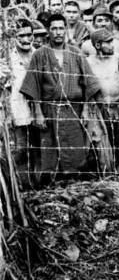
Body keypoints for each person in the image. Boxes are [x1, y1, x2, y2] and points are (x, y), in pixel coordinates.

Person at [20, 14, 101, 180]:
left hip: (73, 110)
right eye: (54, 28)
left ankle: (74, 181)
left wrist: (86, 109)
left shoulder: (76, 53)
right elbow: (33, 84)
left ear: (65, 30)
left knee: (74, 148)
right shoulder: (40, 54)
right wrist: (38, 112)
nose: (58, 32)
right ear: (49, 31)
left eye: (61, 28)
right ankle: (53, 184)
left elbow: (89, 83)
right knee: (50, 147)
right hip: (50, 110)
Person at [86, 28, 119, 171]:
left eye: (113, 41)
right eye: (108, 43)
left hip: (118, 104)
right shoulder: (89, 62)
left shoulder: (117, 57)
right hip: (100, 107)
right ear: (98, 45)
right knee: (105, 137)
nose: (112, 46)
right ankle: (106, 168)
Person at [5, 19, 36, 187]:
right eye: (21, 35)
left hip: (38, 109)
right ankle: (17, 184)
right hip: (17, 109)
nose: (26, 39)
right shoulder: (8, 58)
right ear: (14, 37)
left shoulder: (37, 53)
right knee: (20, 148)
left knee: (36, 148)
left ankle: (34, 183)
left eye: (29, 35)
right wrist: (8, 114)